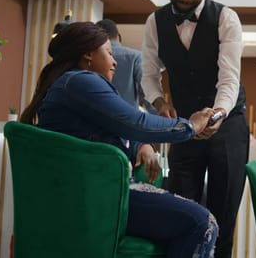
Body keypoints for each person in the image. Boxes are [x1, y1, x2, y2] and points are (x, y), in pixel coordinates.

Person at [19, 22, 219, 258]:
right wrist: (191, 125)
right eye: (109, 53)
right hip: (96, 199)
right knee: (201, 222)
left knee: (193, 219)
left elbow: (113, 128)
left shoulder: (69, 84)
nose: (114, 62)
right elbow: (137, 122)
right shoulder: (81, 81)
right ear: (88, 54)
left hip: (89, 194)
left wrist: (140, 145)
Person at [142, 0, 249, 258]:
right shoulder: (155, 21)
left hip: (227, 125)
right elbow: (148, 73)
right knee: (179, 211)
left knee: (223, 215)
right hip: (183, 127)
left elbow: (229, 79)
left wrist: (215, 115)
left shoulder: (226, 19)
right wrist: (161, 103)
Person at [96, 19, 144, 108]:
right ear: (119, 37)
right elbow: (146, 90)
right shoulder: (136, 56)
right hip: (128, 116)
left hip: (98, 115)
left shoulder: (90, 57)